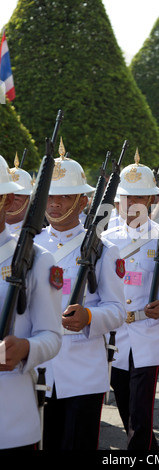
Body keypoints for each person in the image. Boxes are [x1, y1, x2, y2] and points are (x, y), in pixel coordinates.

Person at [35, 140, 126, 450]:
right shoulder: (30, 247)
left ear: (84, 201)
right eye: (50, 197)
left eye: (65, 197)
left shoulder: (103, 249)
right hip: (37, 366)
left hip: (82, 368)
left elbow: (117, 310)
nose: (55, 205)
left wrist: (89, 316)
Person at [103, 149, 159, 450]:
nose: (132, 205)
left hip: (148, 333)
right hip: (114, 335)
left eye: (139, 198)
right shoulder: (106, 237)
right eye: (126, 199)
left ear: (151, 200)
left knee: (140, 414)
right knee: (125, 406)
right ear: (117, 202)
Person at [0, 154, 62, 450]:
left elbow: (51, 336)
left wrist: (26, 348)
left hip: (10, 415)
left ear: (8, 200)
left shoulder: (37, 259)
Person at [6, 153, 33, 236]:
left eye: (16, 199)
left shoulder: (36, 235)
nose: (8, 203)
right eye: (4, 198)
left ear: (28, 201)